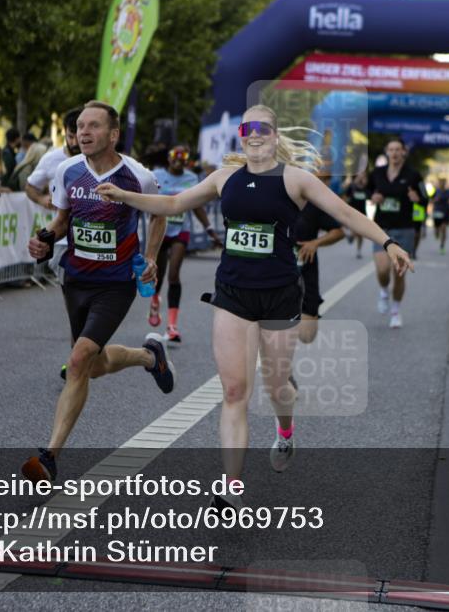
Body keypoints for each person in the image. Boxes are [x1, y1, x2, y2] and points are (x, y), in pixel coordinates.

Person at [95, 105, 412, 508]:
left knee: (277, 388)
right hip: (233, 294)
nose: (254, 133)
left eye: (263, 127)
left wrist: (388, 242)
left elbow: (346, 213)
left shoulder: (295, 179)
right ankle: (231, 489)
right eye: (247, 128)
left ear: (275, 136)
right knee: (234, 391)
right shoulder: (225, 177)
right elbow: (174, 205)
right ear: (241, 136)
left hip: (279, 294)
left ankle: (284, 430)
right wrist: (125, 196)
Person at [22, 101, 174, 483]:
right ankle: (147, 356)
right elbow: (61, 221)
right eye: (79, 127)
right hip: (76, 278)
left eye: (93, 126)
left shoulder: (138, 176)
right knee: (94, 364)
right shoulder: (66, 171)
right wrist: (43, 241)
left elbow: (160, 213)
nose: (83, 133)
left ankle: (50, 456)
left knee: (79, 360)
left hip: (116, 282)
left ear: (113, 134)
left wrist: (150, 256)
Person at [149, 144, 222, 343]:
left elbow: (197, 205)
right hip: (160, 230)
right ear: (169, 157)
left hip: (181, 230)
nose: (179, 159)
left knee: (174, 276)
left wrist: (209, 230)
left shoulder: (191, 178)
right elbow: (144, 197)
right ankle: (155, 299)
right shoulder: (156, 174)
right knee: (159, 274)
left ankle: (172, 326)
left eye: (183, 156)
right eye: (175, 154)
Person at [369, 138, 424, 329]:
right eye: (391, 149)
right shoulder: (377, 173)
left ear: (403, 152)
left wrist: (418, 198)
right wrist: (372, 197)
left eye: (397, 149)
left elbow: (425, 197)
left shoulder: (413, 175)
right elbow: (367, 191)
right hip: (381, 228)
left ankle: (395, 311)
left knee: (399, 274)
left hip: (404, 228)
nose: (394, 153)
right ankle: (384, 291)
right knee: (383, 270)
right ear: (387, 152)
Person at [295, 168, 345, 344]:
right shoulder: (275, 199)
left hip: (306, 269)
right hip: (276, 272)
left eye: (327, 179)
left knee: (307, 336)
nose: (325, 183)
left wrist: (315, 243)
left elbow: (338, 232)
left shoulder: (314, 205)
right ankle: (283, 368)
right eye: (321, 179)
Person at [26, 107, 82, 210]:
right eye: (70, 137)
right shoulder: (51, 158)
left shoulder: (97, 158)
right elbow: (30, 187)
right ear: (64, 132)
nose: (74, 143)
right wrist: (41, 199)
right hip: (59, 223)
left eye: (79, 137)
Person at [342, 168, 370, 258]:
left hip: (362, 213)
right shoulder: (352, 186)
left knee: (361, 233)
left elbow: (370, 196)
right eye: (360, 175)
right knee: (355, 229)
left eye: (364, 175)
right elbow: (345, 196)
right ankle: (351, 235)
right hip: (352, 212)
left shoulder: (366, 187)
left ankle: (359, 251)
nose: (362, 177)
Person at [431, 178, 449, 253]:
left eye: (444, 182)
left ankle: (442, 245)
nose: (442, 184)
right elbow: (431, 200)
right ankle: (437, 233)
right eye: (441, 182)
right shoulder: (436, 190)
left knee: (444, 229)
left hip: (445, 212)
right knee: (437, 229)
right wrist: (435, 200)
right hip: (437, 212)